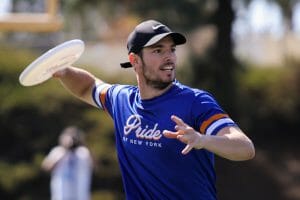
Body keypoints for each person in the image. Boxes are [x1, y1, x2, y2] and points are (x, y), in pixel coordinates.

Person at [52, 20, 255, 200]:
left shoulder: (195, 102)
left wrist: (202, 140)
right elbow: (88, 86)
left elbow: (245, 148)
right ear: (135, 61)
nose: (169, 58)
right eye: (158, 51)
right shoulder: (121, 100)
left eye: (172, 50)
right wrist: (63, 71)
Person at [41, 126, 93, 200]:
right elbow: (46, 167)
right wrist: (65, 150)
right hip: (61, 194)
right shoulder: (58, 151)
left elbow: (96, 167)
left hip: (81, 194)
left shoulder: (84, 152)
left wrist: (84, 144)